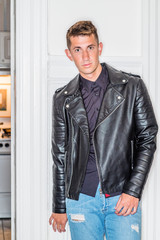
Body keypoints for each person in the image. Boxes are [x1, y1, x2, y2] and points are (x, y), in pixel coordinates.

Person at [49, 20, 158, 240]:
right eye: (77, 50)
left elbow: (147, 140)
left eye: (90, 47)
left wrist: (133, 191)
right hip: (81, 199)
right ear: (69, 54)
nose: (86, 56)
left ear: (99, 48)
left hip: (121, 195)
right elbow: (60, 154)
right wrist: (60, 206)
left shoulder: (132, 87)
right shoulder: (62, 98)